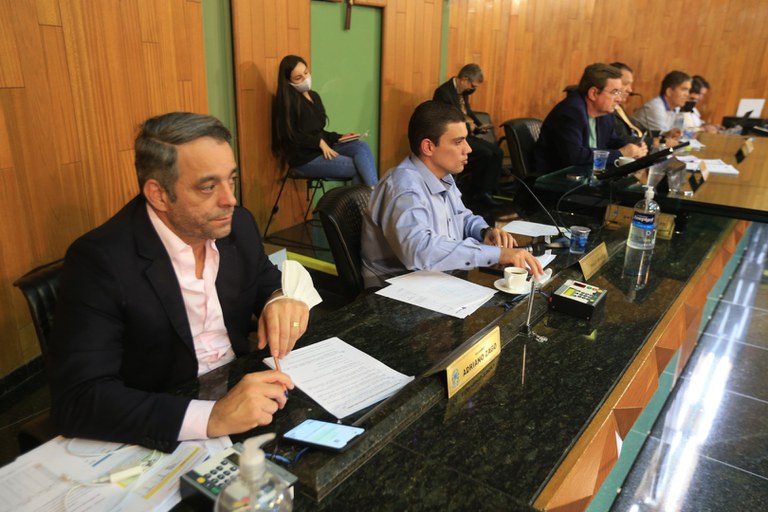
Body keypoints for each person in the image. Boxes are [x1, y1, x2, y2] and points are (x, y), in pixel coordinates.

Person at [50, 112, 320, 452]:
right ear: (159, 195)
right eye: (208, 187)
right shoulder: (100, 261)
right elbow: (77, 400)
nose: (230, 199)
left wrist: (278, 298)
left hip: (242, 389)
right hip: (163, 418)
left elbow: (264, 278)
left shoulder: (237, 225)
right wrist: (212, 418)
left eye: (231, 180)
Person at [360, 101, 543, 288]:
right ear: (428, 147)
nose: (468, 149)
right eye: (458, 142)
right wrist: (498, 254)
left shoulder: (443, 176)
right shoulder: (404, 188)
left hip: (436, 279)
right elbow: (418, 249)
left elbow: (461, 216)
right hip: (395, 290)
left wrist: (484, 231)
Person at [272, 55, 378, 187]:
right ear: (288, 81)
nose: (305, 79)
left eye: (306, 73)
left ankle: (373, 194)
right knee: (359, 167)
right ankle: (375, 196)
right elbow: (291, 136)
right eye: (298, 78)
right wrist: (318, 142)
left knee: (361, 146)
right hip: (304, 158)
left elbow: (318, 131)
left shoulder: (314, 96)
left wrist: (340, 137)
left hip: (322, 149)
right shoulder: (287, 102)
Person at [534, 63, 647, 175]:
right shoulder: (570, 112)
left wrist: (634, 148)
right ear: (593, 93)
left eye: (619, 92)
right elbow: (574, 156)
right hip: (555, 181)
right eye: (614, 92)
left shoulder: (604, 114)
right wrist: (621, 153)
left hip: (586, 177)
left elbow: (612, 141)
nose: (619, 99)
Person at [433, 63, 503, 207]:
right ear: (464, 79)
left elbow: (468, 113)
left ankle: (488, 190)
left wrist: (478, 126)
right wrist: (469, 126)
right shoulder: (443, 93)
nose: (473, 89)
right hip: (454, 139)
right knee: (486, 154)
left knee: (498, 152)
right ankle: (477, 192)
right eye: (473, 86)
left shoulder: (462, 93)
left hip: (467, 135)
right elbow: (446, 120)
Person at [631, 70, 692, 135]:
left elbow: (677, 133)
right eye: (684, 89)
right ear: (669, 92)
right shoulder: (656, 108)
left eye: (688, 90)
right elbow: (664, 137)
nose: (687, 95)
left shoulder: (675, 108)